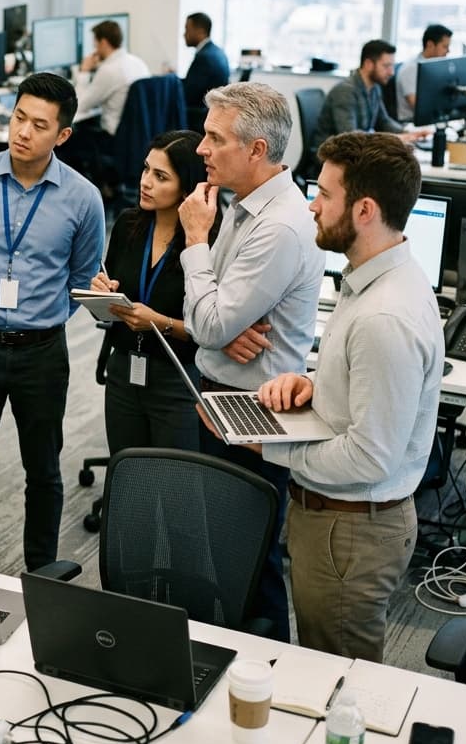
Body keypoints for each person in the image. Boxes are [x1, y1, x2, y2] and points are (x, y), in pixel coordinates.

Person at [253, 131, 444, 662]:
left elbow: (370, 454)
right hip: (342, 521)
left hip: (351, 529)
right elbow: (369, 390)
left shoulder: (385, 316)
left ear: (364, 209)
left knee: (339, 684)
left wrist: (268, 447)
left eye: (325, 195)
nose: (313, 206)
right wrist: (314, 385)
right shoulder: (375, 279)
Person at [178, 82, 325, 640]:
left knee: (250, 561)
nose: (201, 149)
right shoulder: (242, 206)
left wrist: (195, 240)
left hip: (253, 409)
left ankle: (267, 669)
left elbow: (210, 320)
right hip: (219, 392)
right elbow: (208, 321)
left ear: (257, 150)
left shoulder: (280, 226)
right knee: (220, 550)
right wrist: (215, 331)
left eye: (215, 138)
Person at [0, 72, 106, 571]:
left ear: (62, 136)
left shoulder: (83, 199)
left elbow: (82, 277)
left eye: (39, 125)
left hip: (42, 351)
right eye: (19, 118)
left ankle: (42, 572)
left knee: (44, 471)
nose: (23, 132)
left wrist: (42, 316)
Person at [89, 130, 216, 454]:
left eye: (161, 177)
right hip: (123, 369)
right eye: (146, 169)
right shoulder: (129, 224)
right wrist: (101, 292)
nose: (146, 182)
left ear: (186, 186)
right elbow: (111, 287)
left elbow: (212, 330)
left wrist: (158, 321)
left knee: (173, 484)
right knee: (126, 469)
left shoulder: (204, 241)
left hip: (177, 375)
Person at [61, 19, 149, 180]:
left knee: (66, 140)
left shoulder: (109, 70)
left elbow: (79, 105)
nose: (94, 49)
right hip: (138, 135)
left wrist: (84, 71)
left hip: (113, 138)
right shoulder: (137, 62)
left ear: (103, 43)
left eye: (95, 45)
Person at [311, 39, 431, 156]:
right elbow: (350, 137)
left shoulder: (374, 88)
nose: (391, 72)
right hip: (331, 158)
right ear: (368, 64)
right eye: (386, 66)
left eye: (392, 66)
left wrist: (408, 133)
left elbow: (383, 121)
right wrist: (396, 138)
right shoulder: (345, 91)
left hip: (356, 153)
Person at [394, 23, 453, 123]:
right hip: (410, 122)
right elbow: (419, 107)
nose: (448, 51)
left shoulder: (435, 66)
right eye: (445, 46)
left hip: (430, 120)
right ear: (430, 45)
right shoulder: (410, 69)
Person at [182, 11, 229, 129]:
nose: (184, 34)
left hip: (199, 117)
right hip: (214, 112)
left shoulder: (203, 57)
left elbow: (188, 95)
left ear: (200, 31)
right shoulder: (218, 52)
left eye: (187, 29)